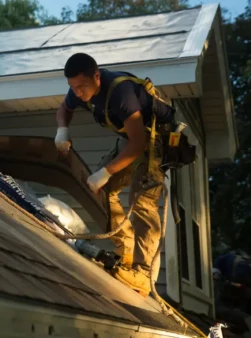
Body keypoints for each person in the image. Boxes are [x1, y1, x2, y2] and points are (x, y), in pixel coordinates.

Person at [54, 52, 175, 296]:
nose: (77, 93)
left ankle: (142, 273)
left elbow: (139, 144)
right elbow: (63, 109)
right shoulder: (80, 89)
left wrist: (107, 171)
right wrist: (62, 130)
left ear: (96, 77)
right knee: (102, 189)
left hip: (154, 140)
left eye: (81, 87)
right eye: (73, 88)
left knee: (142, 203)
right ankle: (126, 251)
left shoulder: (121, 94)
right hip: (131, 140)